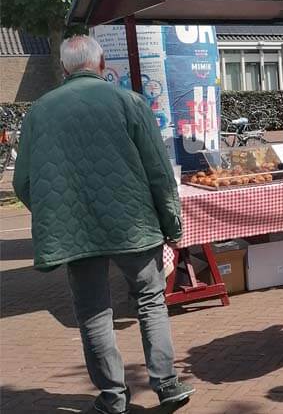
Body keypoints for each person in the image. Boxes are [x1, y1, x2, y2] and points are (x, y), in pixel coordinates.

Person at [12, 36, 194, 414]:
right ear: (101, 64)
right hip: (134, 224)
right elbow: (159, 171)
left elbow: (24, 183)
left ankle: (113, 396)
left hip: (76, 230)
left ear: (64, 69)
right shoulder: (129, 102)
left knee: (94, 312)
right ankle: (167, 384)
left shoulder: (40, 111)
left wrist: (57, 212)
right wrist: (171, 222)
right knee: (150, 301)